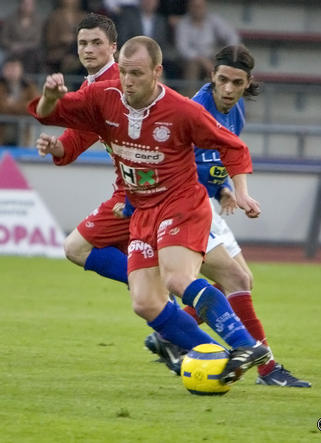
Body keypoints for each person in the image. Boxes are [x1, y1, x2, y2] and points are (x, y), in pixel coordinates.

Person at [29, 35, 270, 385]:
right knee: (145, 302)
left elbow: (233, 148)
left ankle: (247, 345)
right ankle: (211, 354)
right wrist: (51, 97)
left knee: (178, 278)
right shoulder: (104, 95)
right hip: (140, 208)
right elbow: (49, 114)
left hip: (181, 204)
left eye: (137, 73)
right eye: (124, 72)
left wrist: (241, 192)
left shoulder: (183, 110)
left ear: (157, 72)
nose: (127, 81)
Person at [134, 45, 310, 387]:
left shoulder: (236, 109)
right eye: (223, 80)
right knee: (237, 280)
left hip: (204, 203)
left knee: (242, 281)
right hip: (182, 205)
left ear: (248, 83)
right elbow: (177, 160)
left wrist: (225, 189)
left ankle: (169, 334)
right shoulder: (195, 109)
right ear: (212, 77)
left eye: (237, 83)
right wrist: (232, 191)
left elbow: (221, 156)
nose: (228, 89)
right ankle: (267, 368)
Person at [175, 0, 239, 92]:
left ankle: (217, 97)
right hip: (189, 60)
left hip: (212, 56)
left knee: (223, 64)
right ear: (189, 8)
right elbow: (183, 48)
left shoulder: (214, 20)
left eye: (200, 7)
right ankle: (190, 98)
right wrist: (202, 60)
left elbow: (232, 37)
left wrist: (227, 54)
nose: (197, 10)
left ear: (205, 7)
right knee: (193, 66)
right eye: (195, 6)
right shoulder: (183, 23)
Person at [0, 56, 38, 146]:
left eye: (14, 68)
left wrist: (12, 105)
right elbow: (1, 108)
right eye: (9, 68)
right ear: (4, 70)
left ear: (21, 69)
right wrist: (23, 107)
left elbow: (35, 106)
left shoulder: (29, 86)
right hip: (2, 133)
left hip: (22, 134)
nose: (12, 71)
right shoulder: (1, 86)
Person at [43, 0, 86, 75]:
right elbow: (49, 40)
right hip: (59, 52)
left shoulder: (83, 16)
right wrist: (62, 39)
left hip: (78, 51)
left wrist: (74, 39)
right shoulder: (55, 16)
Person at [0, 0, 43, 74]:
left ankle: (29, 78)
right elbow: (3, 38)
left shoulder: (38, 21)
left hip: (30, 51)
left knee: (35, 56)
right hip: (11, 50)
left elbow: (37, 40)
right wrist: (12, 45)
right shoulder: (10, 19)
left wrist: (23, 46)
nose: (27, 7)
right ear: (20, 4)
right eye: (25, 4)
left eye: (30, 5)